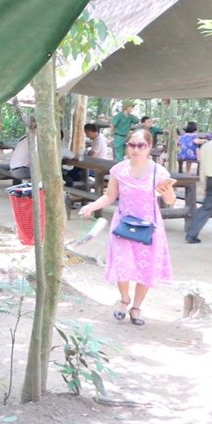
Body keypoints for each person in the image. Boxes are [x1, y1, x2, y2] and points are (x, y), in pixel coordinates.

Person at [78, 128, 176, 326]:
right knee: (123, 263)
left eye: (141, 145)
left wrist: (167, 193)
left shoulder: (159, 172)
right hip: (123, 223)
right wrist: (91, 206)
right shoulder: (119, 169)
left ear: (149, 147)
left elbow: (171, 200)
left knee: (145, 267)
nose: (136, 149)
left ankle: (137, 307)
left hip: (150, 226)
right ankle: (124, 300)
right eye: (132, 145)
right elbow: (110, 195)